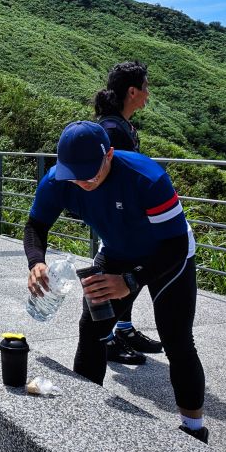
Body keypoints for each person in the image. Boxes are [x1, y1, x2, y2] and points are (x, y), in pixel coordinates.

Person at [24, 121, 207, 443]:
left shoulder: (146, 177)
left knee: (177, 340)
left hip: (166, 257)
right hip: (117, 252)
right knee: (91, 331)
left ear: (109, 154)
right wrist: (36, 262)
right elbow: (36, 226)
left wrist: (131, 281)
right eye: (75, 174)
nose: (84, 181)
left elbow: (176, 246)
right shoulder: (58, 180)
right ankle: (85, 410)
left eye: (91, 172)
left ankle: (194, 429)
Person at [92, 61, 162, 365]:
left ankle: (123, 328)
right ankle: (108, 338)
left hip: (125, 214)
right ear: (132, 91)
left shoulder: (120, 124)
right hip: (119, 217)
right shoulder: (112, 130)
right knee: (119, 274)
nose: (148, 94)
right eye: (145, 88)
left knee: (125, 273)